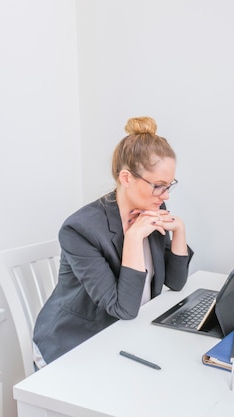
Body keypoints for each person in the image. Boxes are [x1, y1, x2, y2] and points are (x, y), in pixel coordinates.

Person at [33, 116, 193, 367]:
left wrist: (180, 231)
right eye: (159, 186)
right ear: (126, 178)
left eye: (169, 185)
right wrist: (133, 237)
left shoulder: (151, 204)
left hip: (125, 334)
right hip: (75, 343)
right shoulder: (80, 230)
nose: (166, 195)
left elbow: (176, 282)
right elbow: (124, 308)